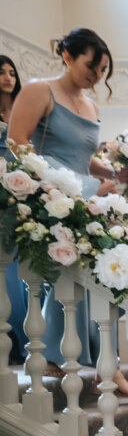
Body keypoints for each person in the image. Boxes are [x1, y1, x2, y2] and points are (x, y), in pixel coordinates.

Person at [7, 28, 128, 394]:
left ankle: (103, 360)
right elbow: (18, 142)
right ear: (67, 57)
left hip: (86, 197)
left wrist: (111, 173)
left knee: (103, 276)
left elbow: (82, 157)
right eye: (91, 65)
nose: (96, 75)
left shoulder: (92, 107)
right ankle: (90, 361)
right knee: (70, 276)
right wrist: (60, 185)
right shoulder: (39, 90)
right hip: (51, 196)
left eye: (102, 70)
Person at [0, 54, 29, 365]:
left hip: (21, 201)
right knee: (6, 280)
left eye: (11, 72)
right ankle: (13, 345)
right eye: (1, 72)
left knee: (21, 282)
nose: (8, 77)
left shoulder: (23, 113)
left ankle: (23, 345)